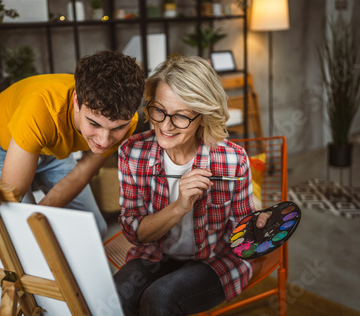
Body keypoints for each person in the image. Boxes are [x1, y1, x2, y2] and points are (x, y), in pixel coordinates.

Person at [114, 55, 270, 315]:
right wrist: (179, 207)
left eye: (181, 117)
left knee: (160, 298)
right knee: (116, 296)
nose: (165, 125)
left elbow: (241, 238)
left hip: (215, 258)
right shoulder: (133, 152)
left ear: (203, 115)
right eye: (159, 110)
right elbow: (133, 232)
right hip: (156, 255)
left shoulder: (231, 160)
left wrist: (257, 225)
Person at [0, 50, 145, 238]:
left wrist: (41, 220)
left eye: (116, 128)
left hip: (51, 149)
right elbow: (12, 198)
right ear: (77, 102)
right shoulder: (40, 110)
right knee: (22, 234)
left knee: (95, 230)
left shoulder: (127, 119)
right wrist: (36, 228)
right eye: (94, 124)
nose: (104, 140)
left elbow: (81, 175)